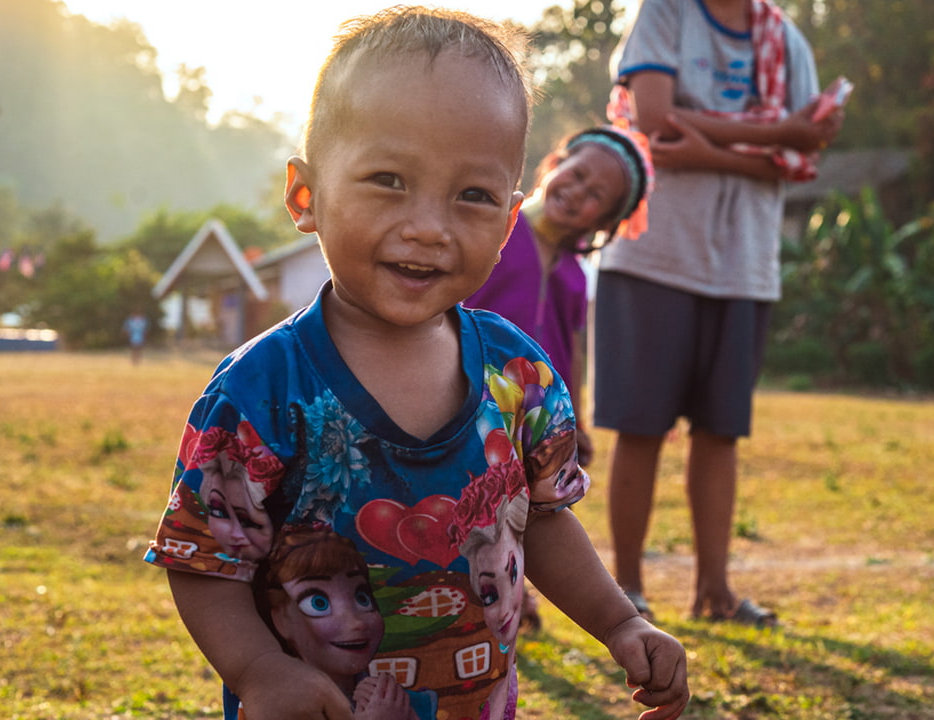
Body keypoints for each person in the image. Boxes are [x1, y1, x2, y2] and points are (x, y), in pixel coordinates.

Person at [143, 8, 688, 720]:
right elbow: (205, 559)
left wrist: (620, 623)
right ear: (306, 195)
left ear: (508, 218)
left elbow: (545, 522)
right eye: (388, 179)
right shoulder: (259, 392)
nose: (428, 226)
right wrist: (259, 670)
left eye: (473, 195)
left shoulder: (518, 375)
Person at [594, 0, 844, 627]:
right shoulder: (669, 13)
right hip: (655, 254)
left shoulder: (788, 43)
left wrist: (708, 142)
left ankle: (715, 589)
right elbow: (653, 122)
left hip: (744, 265)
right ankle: (628, 588)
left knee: (720, 431)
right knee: (641, 426)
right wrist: (774, 137)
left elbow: (804, 156)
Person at [464, 124, 653, 628]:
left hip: (538, 413)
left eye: (597, 196)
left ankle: (516, 591)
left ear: (605, 220)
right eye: (578, 174)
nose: (578, 193)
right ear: (554, 164)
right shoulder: (499, 231)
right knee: (477, 498)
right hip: (473, 398)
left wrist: (577, 420)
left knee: (533, 506)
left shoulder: (573, 271)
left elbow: (574, 351)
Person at [259, 528, 421, 720]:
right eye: (319, 603)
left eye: (362, 598)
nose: (356, 622)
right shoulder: (285, 705)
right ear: (281, 620)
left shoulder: (394, 700)